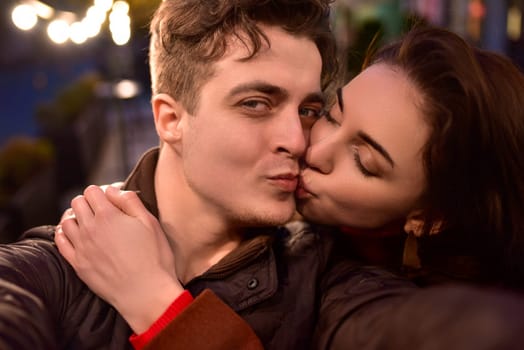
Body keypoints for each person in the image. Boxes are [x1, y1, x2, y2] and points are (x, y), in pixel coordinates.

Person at [57, 24, 524, 349]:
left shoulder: (403, 300)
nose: (308, 147)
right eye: (329, 115)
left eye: (362, 160)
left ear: (430, 217)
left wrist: (155, 302)